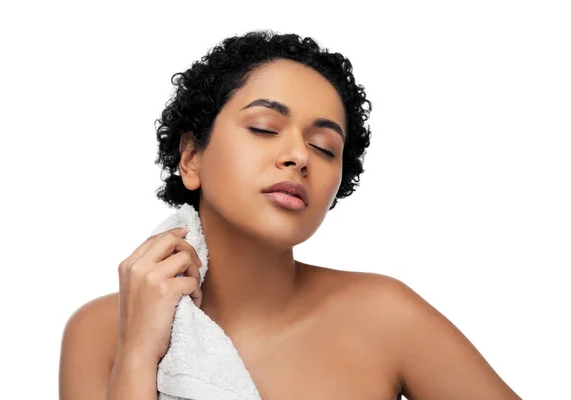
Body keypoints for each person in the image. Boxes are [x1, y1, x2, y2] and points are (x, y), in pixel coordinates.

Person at [59, 30, 522, 399]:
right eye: (264, 128)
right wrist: (139, 354)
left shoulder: (386, 315)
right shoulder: (99, 333)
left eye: (324, 148)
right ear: (191, 157)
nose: (299, 156)